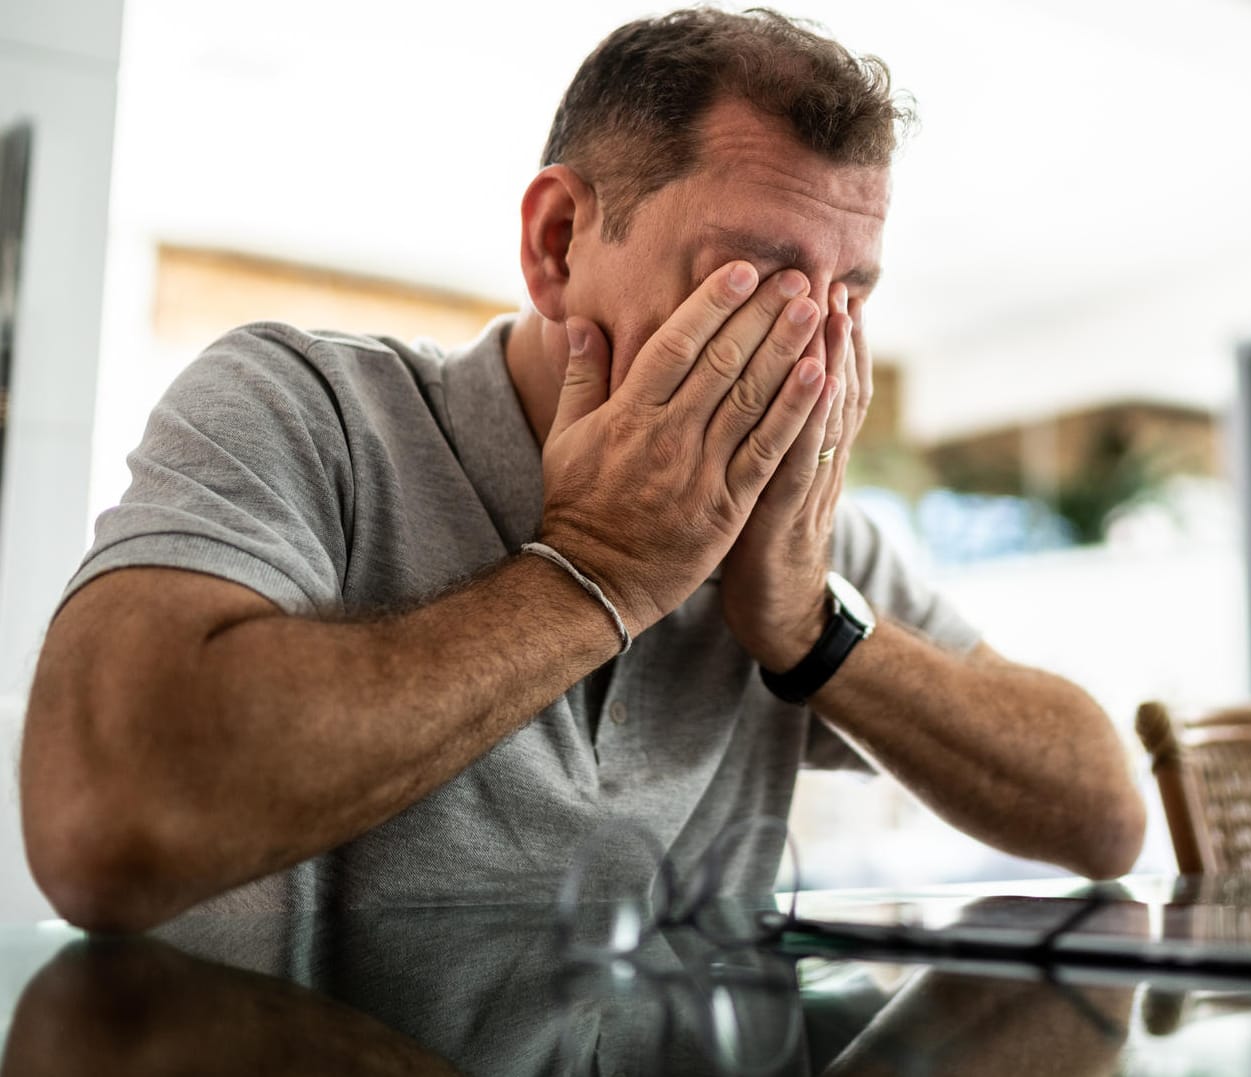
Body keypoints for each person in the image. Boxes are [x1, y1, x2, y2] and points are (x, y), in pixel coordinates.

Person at [19, 7, 1145, 932]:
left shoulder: (796, 536)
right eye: (759, 277)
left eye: (853, 296)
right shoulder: (303, 409)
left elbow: (1103, 817)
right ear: (558, 244)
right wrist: (592, 573)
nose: (814, 349)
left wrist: (809, 629)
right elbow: (101, 821)